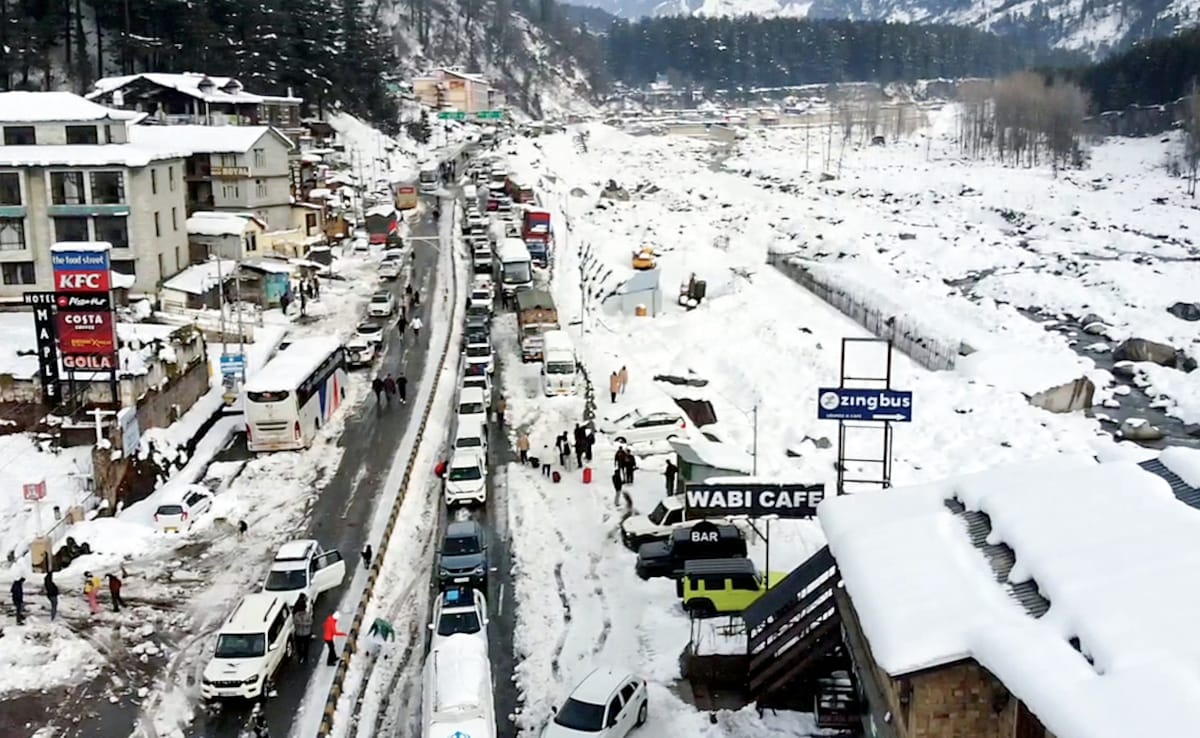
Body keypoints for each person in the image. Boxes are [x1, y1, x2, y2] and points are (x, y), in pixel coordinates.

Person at [293, 594, 313, 665]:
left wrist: (303, 624)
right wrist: (298, 624)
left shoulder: (307, 615)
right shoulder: (296, 615)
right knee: (298, 647)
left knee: (306, 647)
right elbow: (295, 622)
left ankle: (305, 657)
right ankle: (300, 657)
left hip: (306, 634)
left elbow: (310, 622)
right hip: (298, 634)